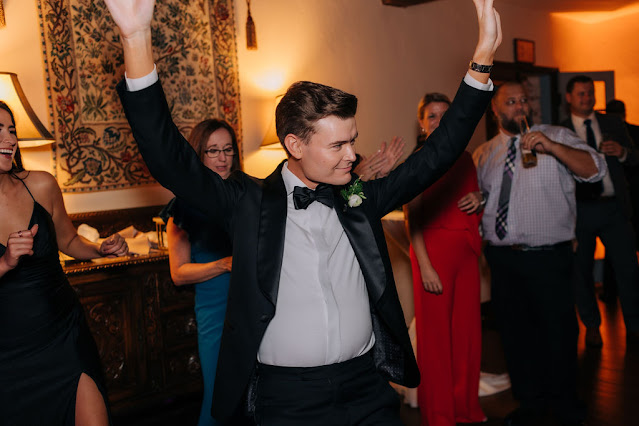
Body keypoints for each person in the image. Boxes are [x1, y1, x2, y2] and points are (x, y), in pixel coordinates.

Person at [105, 0, 501, 423]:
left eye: (353, 140)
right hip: (286, 399)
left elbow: (439, 154)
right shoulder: (247, 202)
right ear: (295, 145)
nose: (352, 155)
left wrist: (483, 57)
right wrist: (135, 39)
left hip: (368, 389)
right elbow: (170, 160)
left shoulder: (359, 198)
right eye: (337, 145)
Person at [474, 81, 606, 426]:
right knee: (516, 337)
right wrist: (479, 204)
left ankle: (565, 406)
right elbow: (486, 199)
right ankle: (529, 403)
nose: (520, 107)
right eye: (511, 101)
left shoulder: (555, 136)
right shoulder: (484, 153)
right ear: (495, 109)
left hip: (548, 257)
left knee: (558, 336)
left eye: (523, 101)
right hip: (503, 259)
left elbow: (596, 169)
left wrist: (552, 148)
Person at [0, 101, 128, 425]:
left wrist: (100, 249)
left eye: (11, 130)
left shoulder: (41, 185)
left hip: (62, 334)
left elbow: (68, 240)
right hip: (8, 354)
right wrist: (5, 262)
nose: (9, 139)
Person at [404, 92, 485, 426]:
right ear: (423, 125)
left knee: (466, 335)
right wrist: (424, 266)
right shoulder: (419, 159)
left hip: (466, 254)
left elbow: (474, 200)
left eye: (444, 115)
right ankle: (439, 414)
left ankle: (464, 407)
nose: (439, 122)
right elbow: (412, 216)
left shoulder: (465, 158)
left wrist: (480, 198)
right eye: (432, 116)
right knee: (436, 338)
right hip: (433, 254)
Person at [160, 119, 240, 426]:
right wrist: (223, 264)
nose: (222, 158)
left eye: (228, 149)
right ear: (200, 155)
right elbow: (178, 273)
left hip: (254, 308)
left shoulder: (246, 193)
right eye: (213, 150)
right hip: (215, 313)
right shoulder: (183, 207)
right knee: (218, 400)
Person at [561, 75, 639, 347]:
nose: (588, 98)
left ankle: (634, 326)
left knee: (628, 268)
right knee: (580, 271)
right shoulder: (560, 131)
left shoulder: (612, 124)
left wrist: (622, 152)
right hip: (579, 211)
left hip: (614, 208)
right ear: (569, 97)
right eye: (581, 94)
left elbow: (635, 158)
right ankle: (592, 326)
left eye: (590, 93)